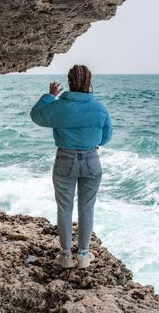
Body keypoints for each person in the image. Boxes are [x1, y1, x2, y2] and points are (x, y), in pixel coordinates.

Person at [30, 64, 112, 269]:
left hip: (65, 160)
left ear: (69, 82)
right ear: (89, 82)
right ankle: (83, 256)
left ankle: (66, 256)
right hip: (92, 160)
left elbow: (36, 116)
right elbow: (105, 138)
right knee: (87, 208)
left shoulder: (58, 107)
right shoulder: (100, 108)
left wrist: (49, 96)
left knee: (64, 208)